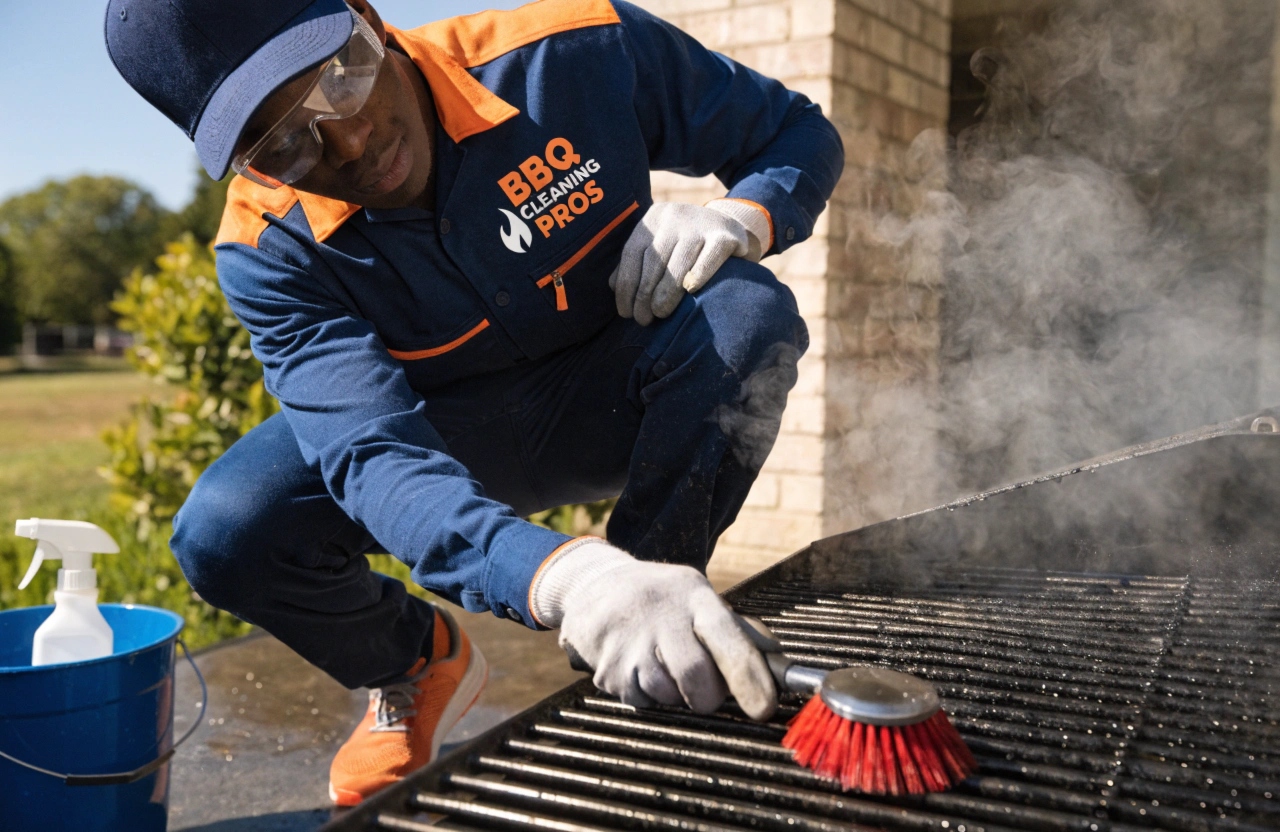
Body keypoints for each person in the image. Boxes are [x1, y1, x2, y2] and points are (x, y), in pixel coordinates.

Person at [106, 0, 842, 805]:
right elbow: (374, 455)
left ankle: (655, 597)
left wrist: (748, 213)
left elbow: (797, 131)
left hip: (616, 400)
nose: (349, 142)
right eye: (281, 142)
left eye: (341, 77)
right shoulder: (267, 247)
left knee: (745, 309)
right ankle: (416, 664)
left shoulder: (574, 53)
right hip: (443, 444)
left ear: (367, 17)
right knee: (227, 531)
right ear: (242, 161)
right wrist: (570, 582)